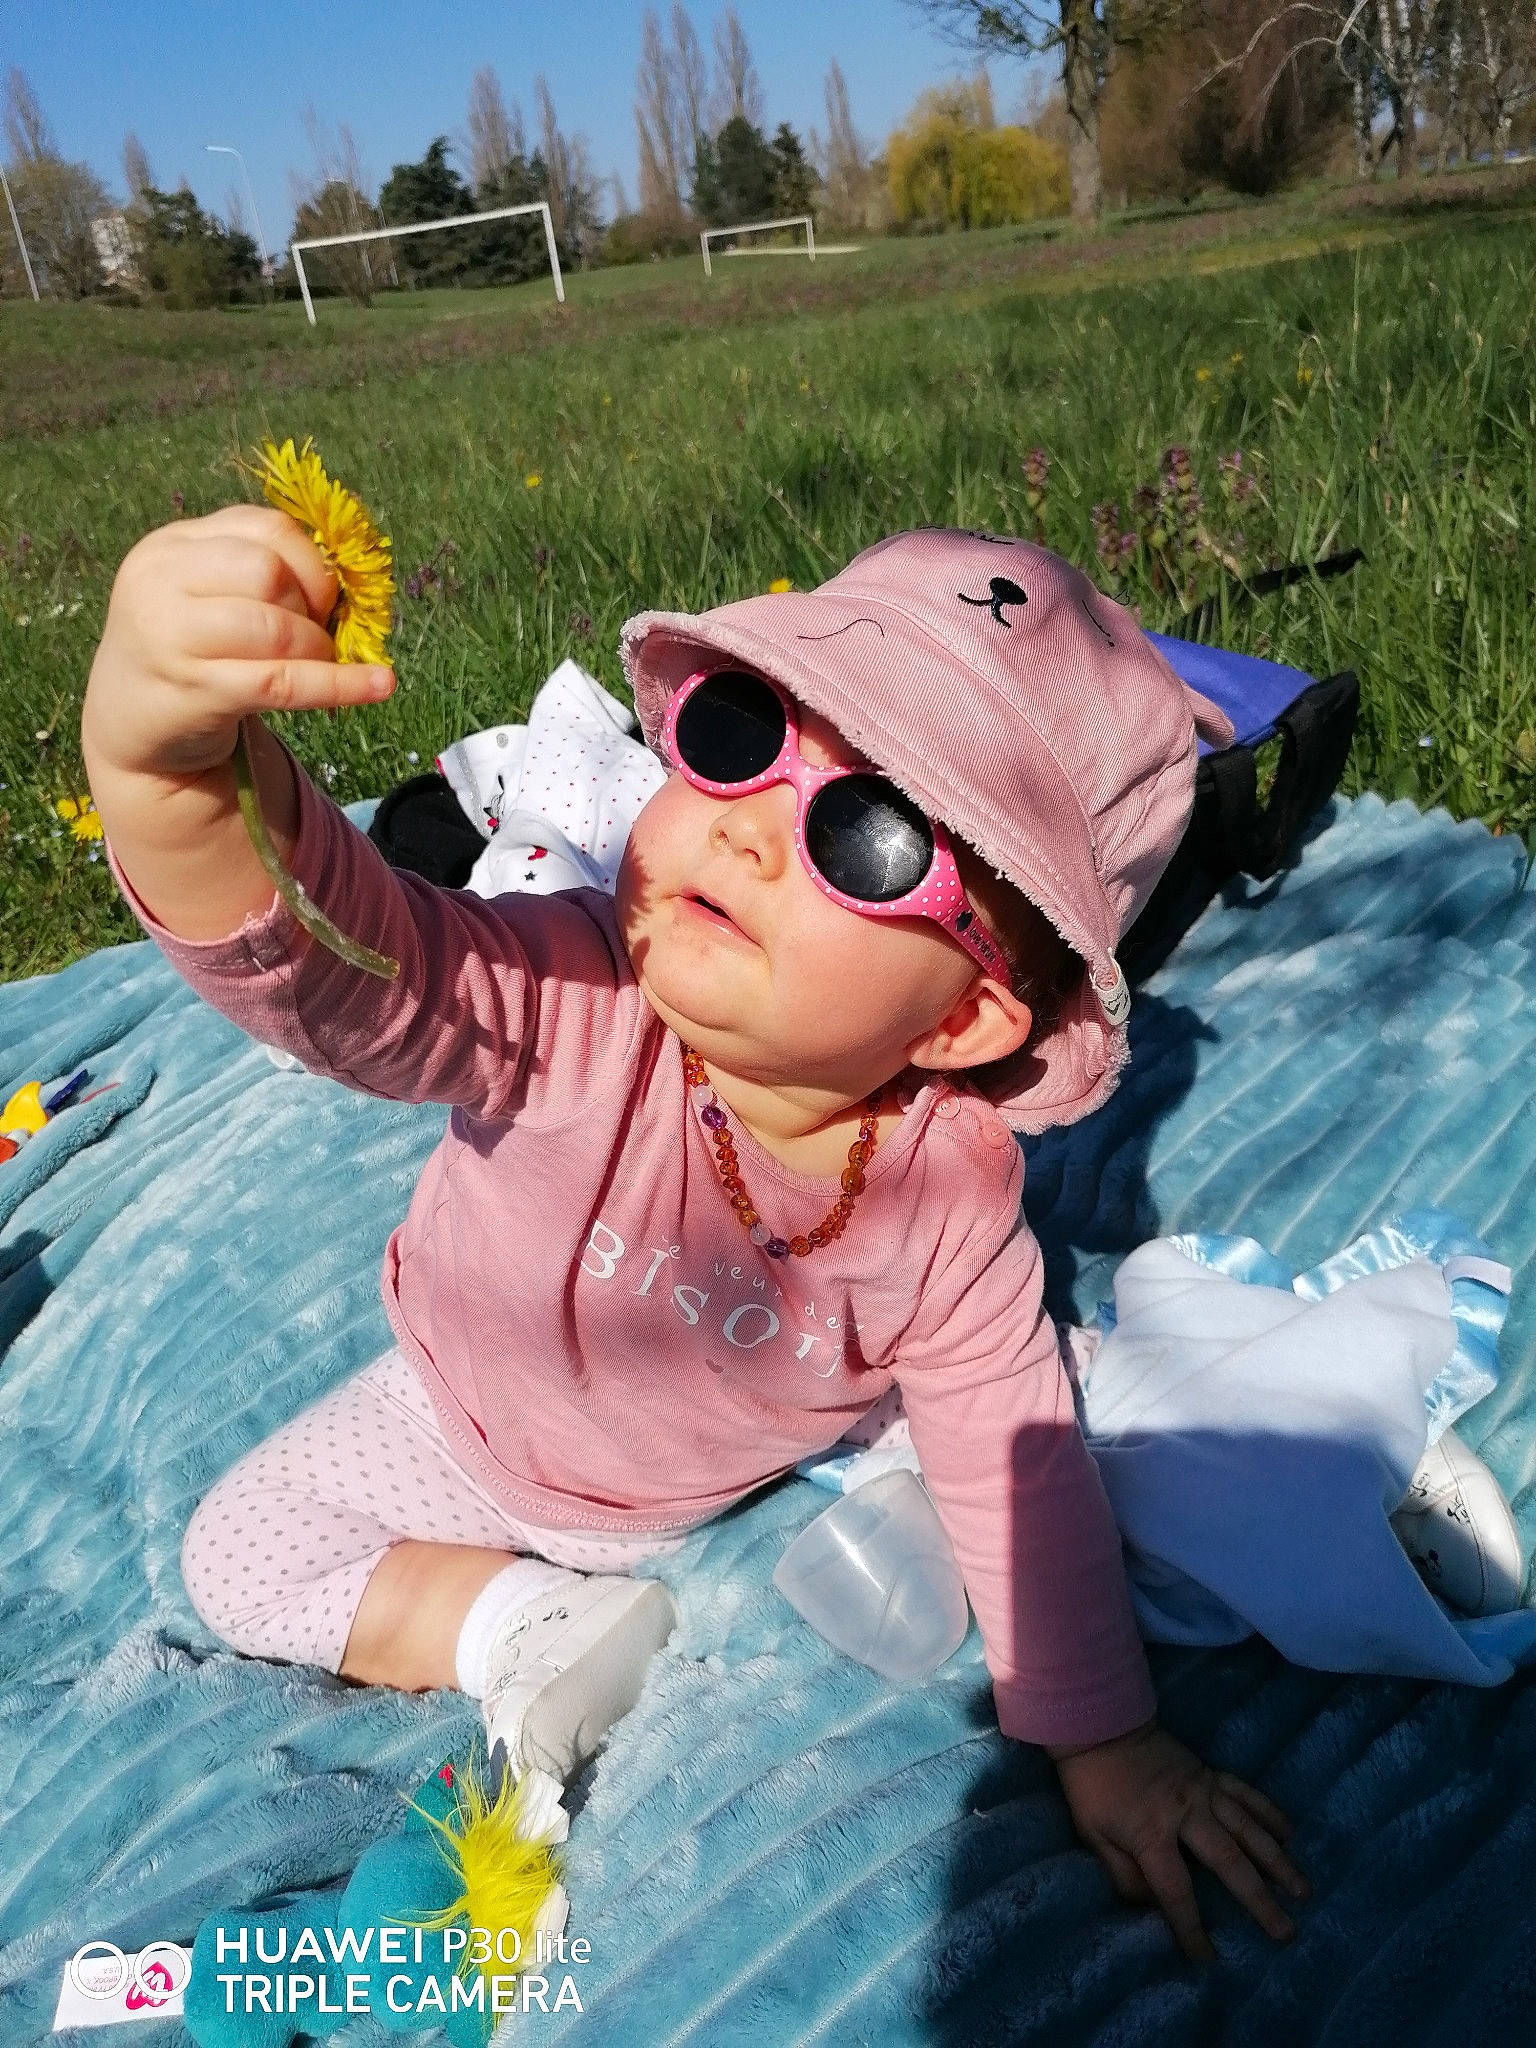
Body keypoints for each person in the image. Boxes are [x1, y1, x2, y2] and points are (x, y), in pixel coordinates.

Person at [81, 510, 1312, 1967]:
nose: (745, 824)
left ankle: (1306, 1441)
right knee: (238, 1552)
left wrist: (1104, 1737)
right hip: (456, 1414)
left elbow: (1009, 1454)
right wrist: (169, 782)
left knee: (1039, 1411)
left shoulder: (947, 1198)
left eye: (864, 834)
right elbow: (356, 971)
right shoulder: (572, 995)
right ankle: (526, 1625)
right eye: (741, 732)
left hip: (737, 1451)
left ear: (968, 1017)